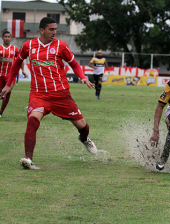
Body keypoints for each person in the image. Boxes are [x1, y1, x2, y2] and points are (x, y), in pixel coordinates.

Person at [0, 17, 97, 170]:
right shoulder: (28, 46)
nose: (54, 32)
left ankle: (84, 139)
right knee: (32, 121)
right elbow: (17, 63)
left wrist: (83, 77)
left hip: (61, 95)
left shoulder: (61, 46)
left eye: (55, 29)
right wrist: (9, 84)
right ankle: (28, 159)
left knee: (83, 126)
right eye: (51, 29)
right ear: (42, 30)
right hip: (39, 94)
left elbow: (74, 64)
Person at [0, 31, 27, 118]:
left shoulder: (14, 49)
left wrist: (23, 70)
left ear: (11, 38)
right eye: (5, 37)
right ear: (2, 38)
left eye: (9, 37)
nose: (7, 38)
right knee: (1, 93)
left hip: (10, 75)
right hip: (0, 75)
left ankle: (1, 112)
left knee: (7, 92)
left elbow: (20, 60)